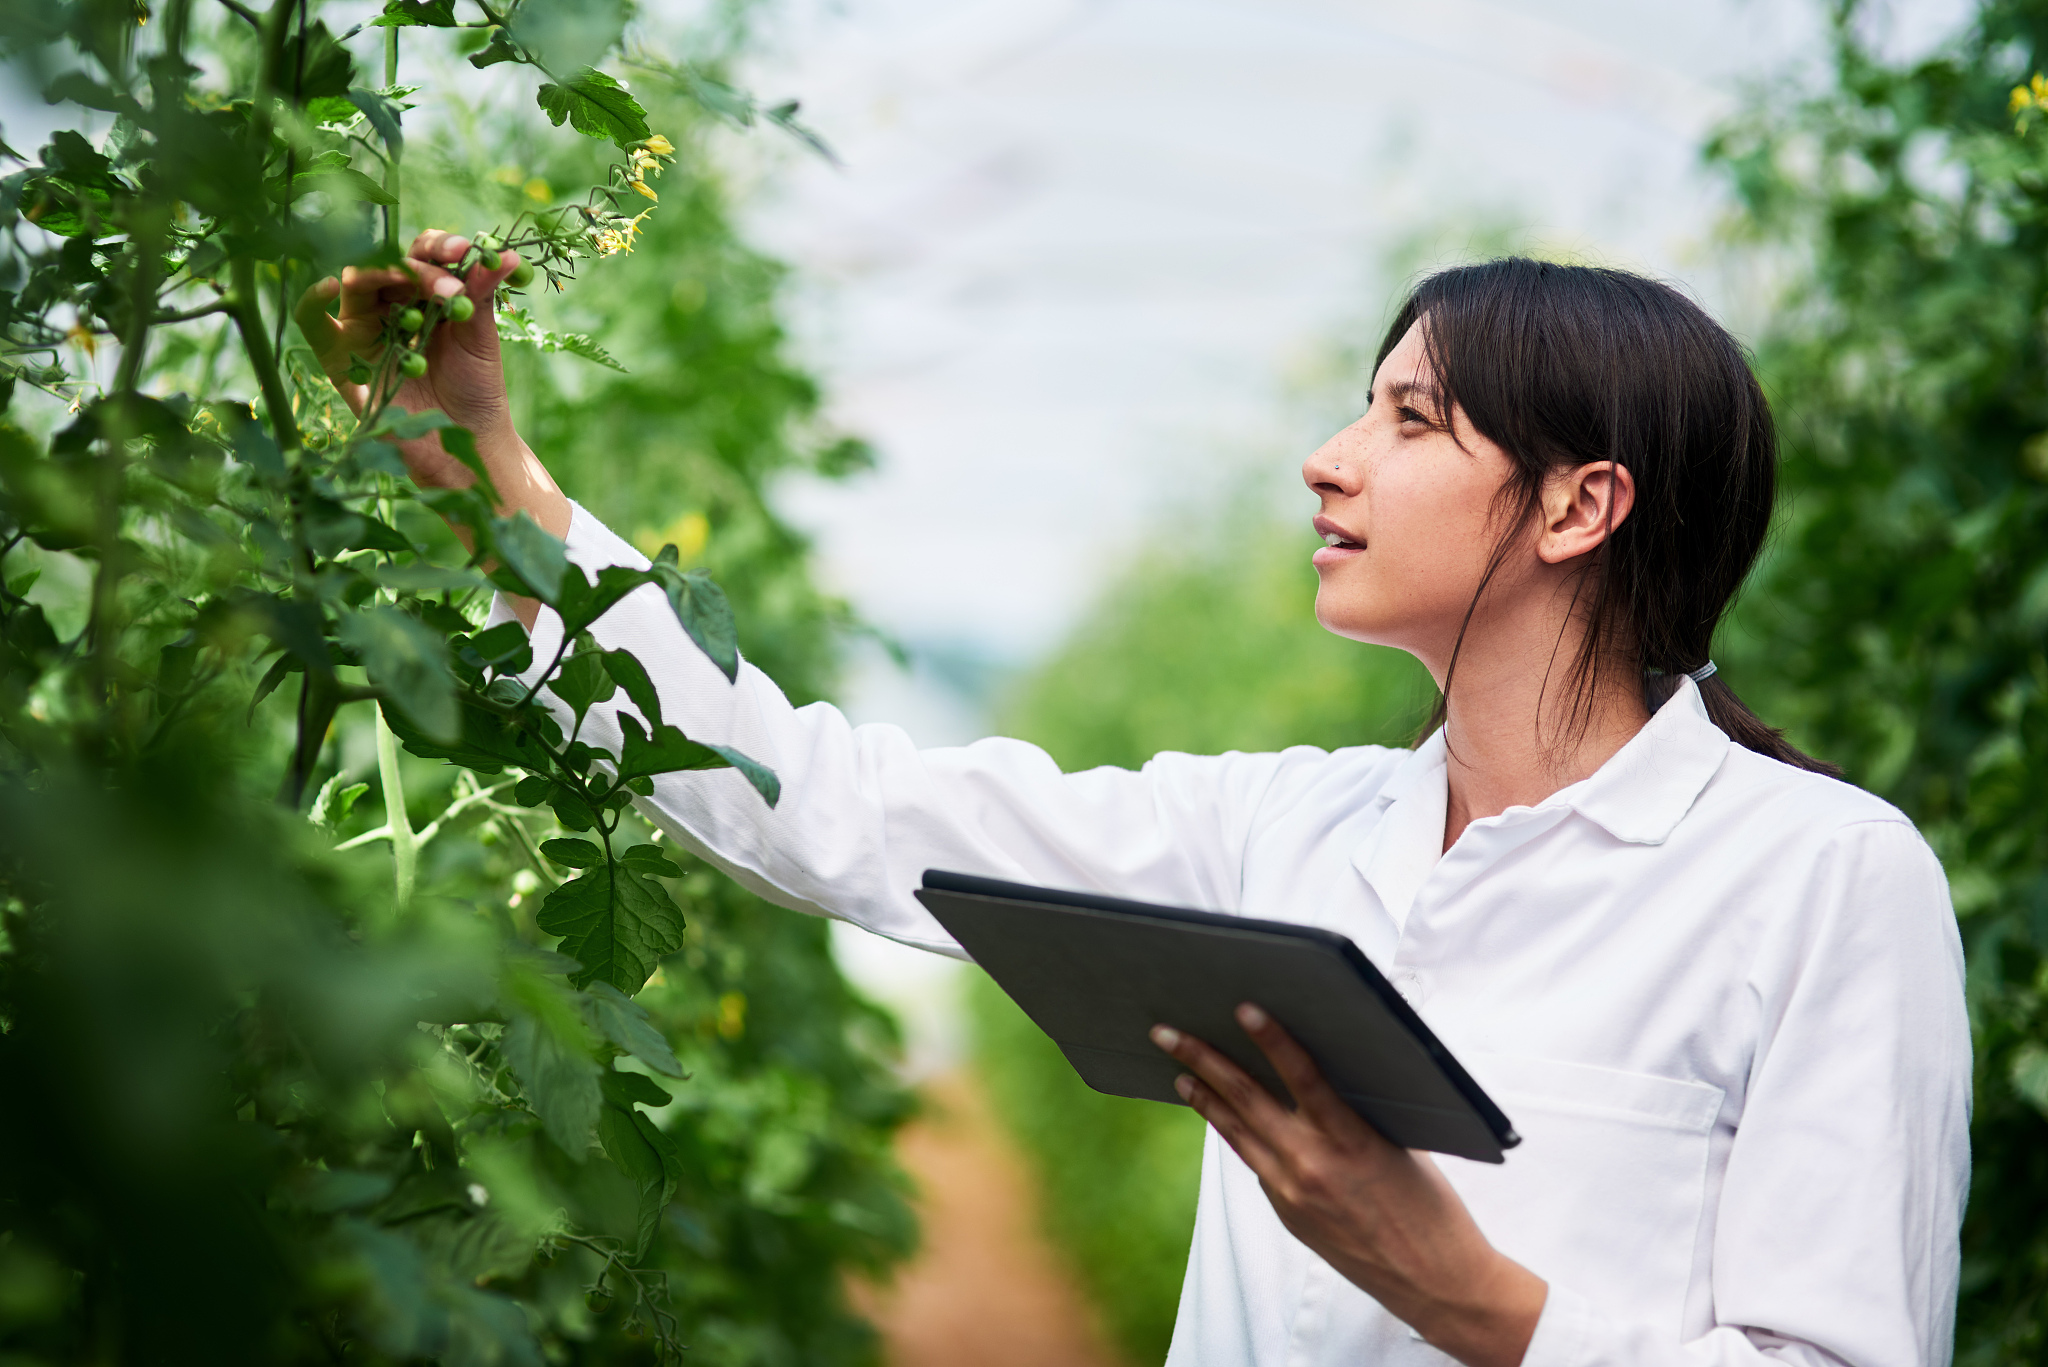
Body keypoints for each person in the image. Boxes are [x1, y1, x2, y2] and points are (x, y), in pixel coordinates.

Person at [300, 247, 1971, 1367]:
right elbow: (833, 804)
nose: (1329, 460)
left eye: (1407, 420)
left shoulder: (1817, 879)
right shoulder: (1281, 840)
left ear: (1581, 504)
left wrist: (1471, 1296)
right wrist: (497, 491)